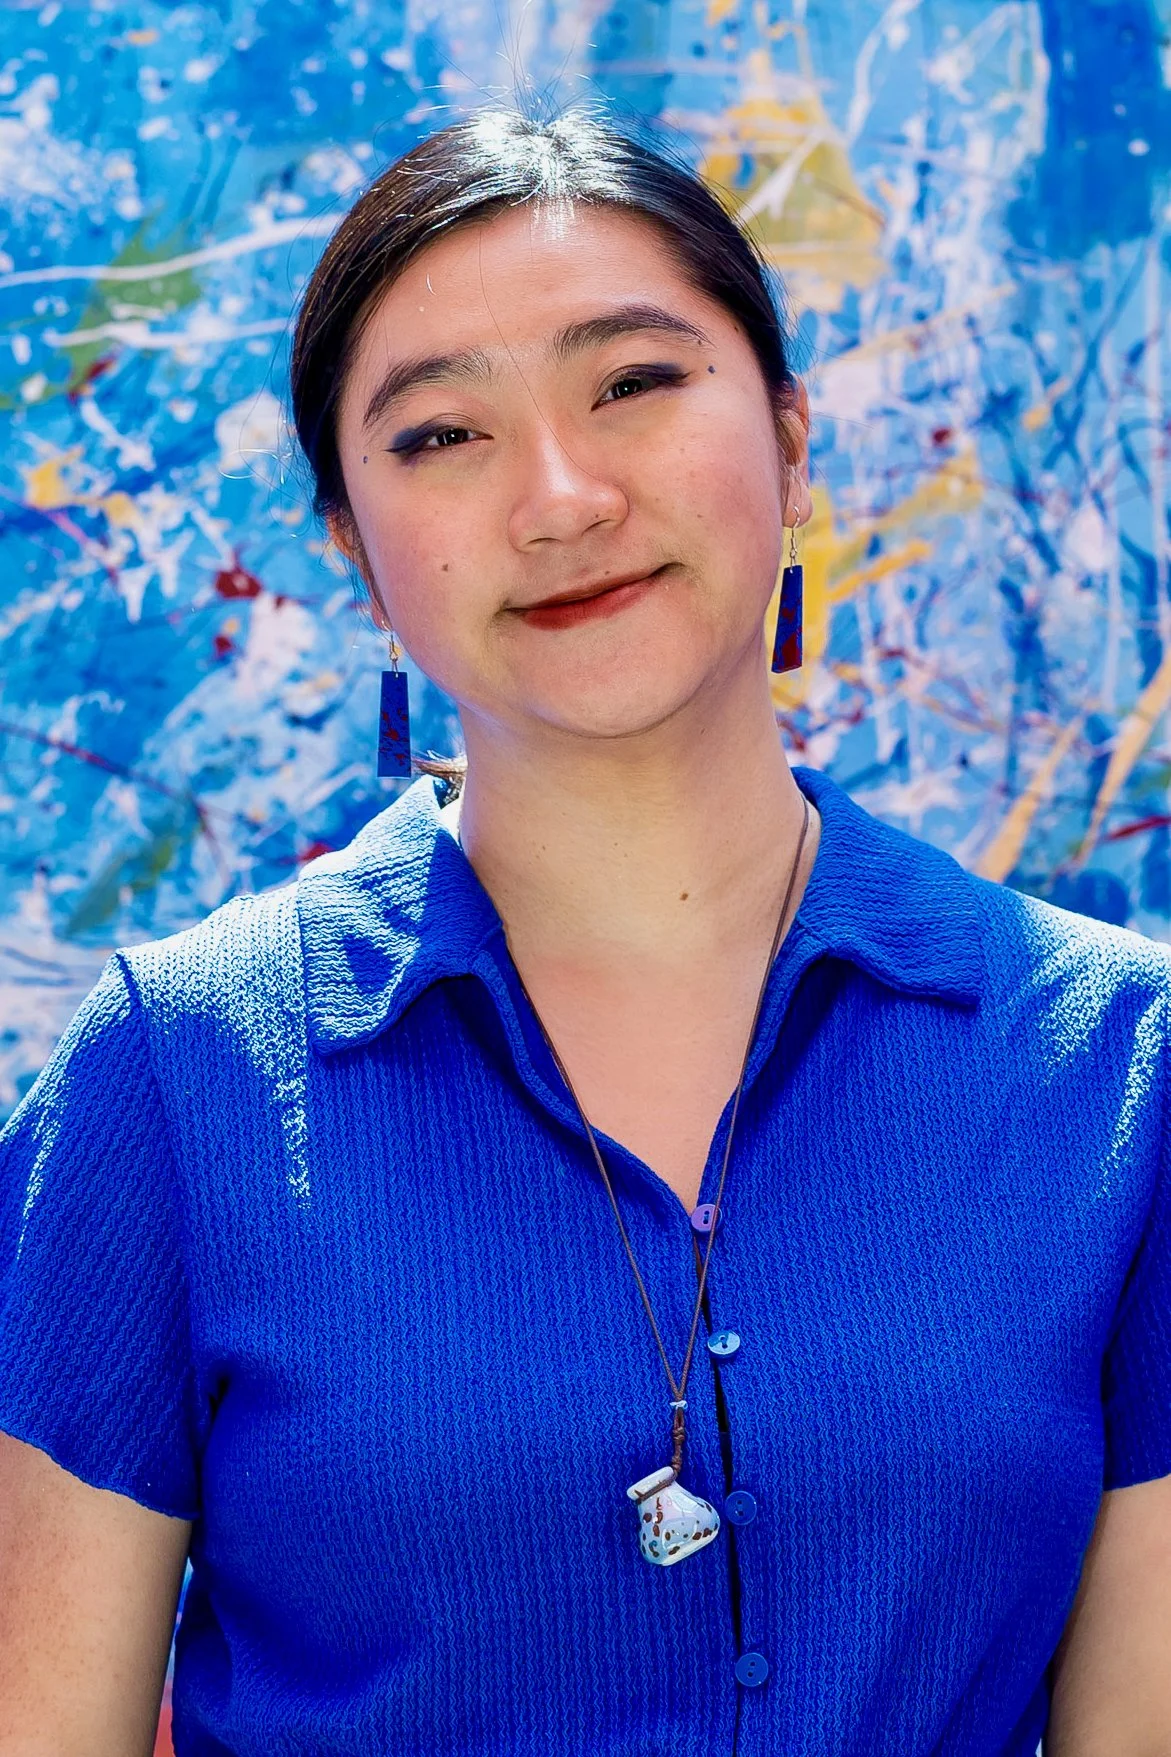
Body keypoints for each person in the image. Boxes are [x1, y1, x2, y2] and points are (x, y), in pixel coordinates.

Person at [0, 104, 1168, 1757]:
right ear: (348, 545)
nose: (558, 497)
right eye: (437, 438)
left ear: (787, 431)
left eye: (631, 383)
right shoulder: (174, 1076)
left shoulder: (1116, 1065)